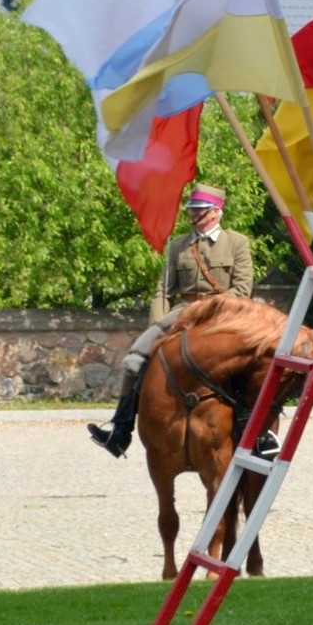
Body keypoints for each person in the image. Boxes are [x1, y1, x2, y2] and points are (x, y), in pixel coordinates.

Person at [87, 184, 254, 458]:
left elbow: (242, 289)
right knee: (134, 361)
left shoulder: (237, 242)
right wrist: (157, 326)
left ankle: (257, 435)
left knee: (254, 364)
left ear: (216, 212)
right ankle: (120, 431)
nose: (193, 215)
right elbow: (163, 291)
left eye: (200, 210)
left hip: (224, 313)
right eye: (192, 210)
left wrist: (210, 307)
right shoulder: (178, 245)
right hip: (183, 312)